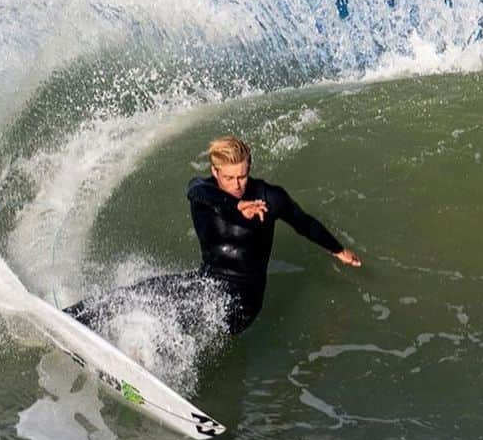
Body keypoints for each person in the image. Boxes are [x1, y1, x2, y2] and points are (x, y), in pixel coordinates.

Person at [65, 135, 361, 337]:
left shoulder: (270, 197)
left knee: (181, 310)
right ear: (215, 171)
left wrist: (338, 250)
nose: (237, 184)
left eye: (242, 176)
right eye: (229, 177)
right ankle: (69, 319)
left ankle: (140, 360)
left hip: (243, 300)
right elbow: (199, 191)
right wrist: (237, 208)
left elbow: (304, 222)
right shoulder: (203, 192)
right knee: (137, 293)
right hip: (207, 281)